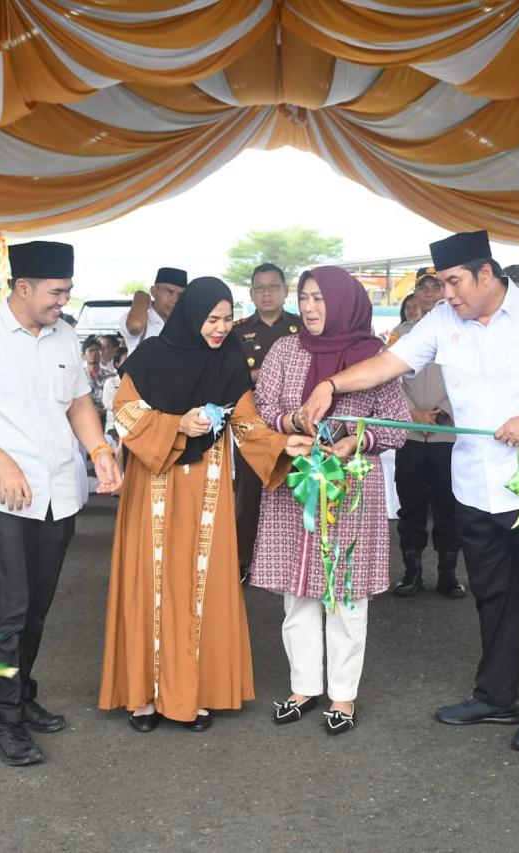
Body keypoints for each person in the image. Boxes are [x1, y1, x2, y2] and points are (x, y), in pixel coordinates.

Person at [300, 230, 519, 753]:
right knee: (491, 593)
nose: (447, 294)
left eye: (454, 282)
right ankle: (496, 696)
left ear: (486, 274)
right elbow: (390, 364)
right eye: (442, 284)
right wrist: (332, 386)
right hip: (475, 483)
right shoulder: (443, 321)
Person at [98, 277, 314, 733]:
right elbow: (124, 412)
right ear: (191, 316)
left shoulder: (230, 360)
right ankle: (144, 696)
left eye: (227, 318)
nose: (220, 328)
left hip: (207, 490)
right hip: (152, 484)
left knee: (198, 586)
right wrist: (178, 424)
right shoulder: (152, 356)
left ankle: (192, 695)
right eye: (212, 319)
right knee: (151, 582)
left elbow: (247, 423)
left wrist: (283, 444)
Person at [0, 240, 122, 767]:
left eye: (66, 290)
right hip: (5, 496)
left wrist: (100, 450)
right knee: (12, 605)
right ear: (23, 287)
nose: (63, 301)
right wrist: (1, 461)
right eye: (56, 291)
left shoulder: (66, 334)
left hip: (58, 492)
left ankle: (22, 693)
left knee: (37, 607)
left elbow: (80, 402)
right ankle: (5, 721)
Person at [249, 267, 408, 735]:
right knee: (297, 593)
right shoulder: (285, 349)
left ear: (343, 301)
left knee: (345, 593)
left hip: (351, 487)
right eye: (305, 297)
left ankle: (343, 695)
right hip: (295, 481)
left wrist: (356, 439)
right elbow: (262, 409)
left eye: (320, 298)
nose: (311, 307)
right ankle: (303, 687)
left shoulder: (374, 357)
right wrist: (294, 422)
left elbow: (397, 422)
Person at [390, 270, 463, 598]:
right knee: (411, 505)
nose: (431, 293)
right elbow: (390, 381)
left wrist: (445, 411)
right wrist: (412, 415)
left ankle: (448, 574)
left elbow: (471, 378)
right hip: (411, 435)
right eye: (424, 287)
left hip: (449, 433)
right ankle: (412, 573)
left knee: (450, 505)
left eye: (437, 286)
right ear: (416, 294)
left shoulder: (463, 331)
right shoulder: (401, 334)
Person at [231, 262, 301, 583]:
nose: (267, 293)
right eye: (259, 287)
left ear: (286, 291)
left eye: (273, 286)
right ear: (251, 293)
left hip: (295, 425)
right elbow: (225, 377)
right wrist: (254, 376)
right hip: (252, 427)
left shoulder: (303, 328)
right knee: (248, 495)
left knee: (297, 491)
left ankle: (294, 559)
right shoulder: (237, 331)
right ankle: (244, 561)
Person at [120, 267, 187, 353]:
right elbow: (135, 325)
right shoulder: (141, 321)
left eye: (180, 295)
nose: (175, 300)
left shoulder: (182, 327)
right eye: (170, 292)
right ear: (153, 291)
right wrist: (140, 297)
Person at [100, 345, 129, 436]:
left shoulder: (138, 382)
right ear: (117, 364)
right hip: (113, 427)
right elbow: (109, 404)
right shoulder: (111, 382)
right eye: (126, 361)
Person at [82, 337, 108, 426]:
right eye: (90, 350)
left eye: (97, 350)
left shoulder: (110, 376)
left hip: (105, 418)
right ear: (83, 356)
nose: (93, 353)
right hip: (83, 417)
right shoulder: (78, 376)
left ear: (101, 354)